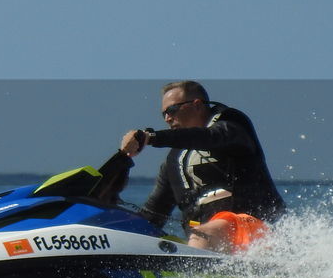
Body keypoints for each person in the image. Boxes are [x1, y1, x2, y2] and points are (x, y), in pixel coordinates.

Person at [120, 80, 284, 252]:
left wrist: (151, 137)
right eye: (164, 114)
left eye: (172, 110)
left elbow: (210, 137)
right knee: (164, 241)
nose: (168, 118)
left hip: (256, 227)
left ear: (197, 105)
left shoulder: (232, 126)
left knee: (200, 234)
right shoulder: (173, 163)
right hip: (210, 243)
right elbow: (152, 215)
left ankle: (196, 276)